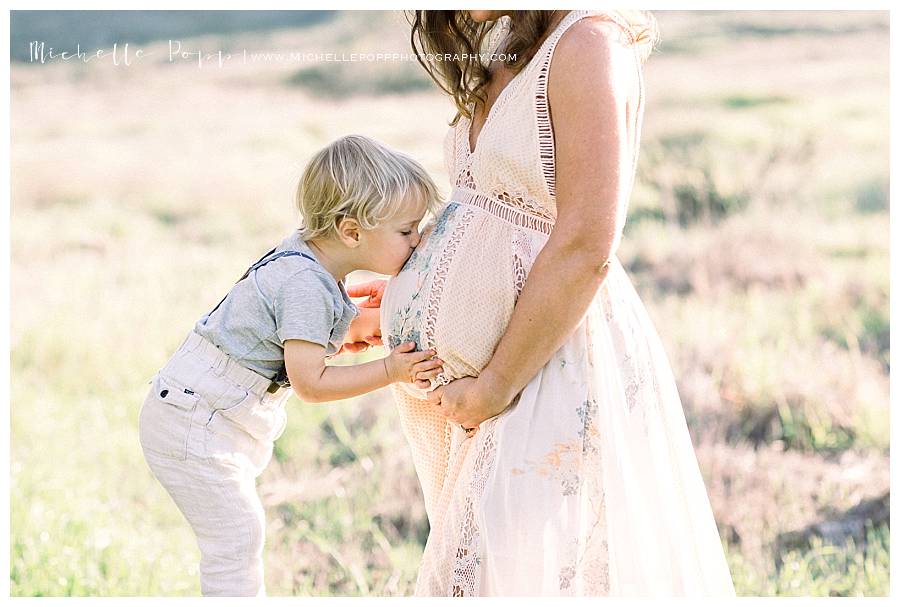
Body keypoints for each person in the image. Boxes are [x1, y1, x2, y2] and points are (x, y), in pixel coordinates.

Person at [345, 10, 737, 597]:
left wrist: (496, 383)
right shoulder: (508, 45)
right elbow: (487, 219)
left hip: (546, 367)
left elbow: (584, 244)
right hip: (497, 378)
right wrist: (412, 296)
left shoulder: (587, 44)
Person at [138, 134, 445, 596]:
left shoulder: (309, 258)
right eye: (407, 231)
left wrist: (351, 324)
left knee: (238, 535)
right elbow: (312, 383)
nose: (417, 240)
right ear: (351, 231)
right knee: (236, 539)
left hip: (203, 411)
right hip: (194, 423)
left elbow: (286, 333)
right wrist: (391, 370)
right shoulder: (306, 285)